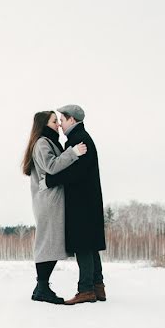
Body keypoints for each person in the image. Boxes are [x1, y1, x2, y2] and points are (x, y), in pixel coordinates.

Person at [21, 110, 88, 304]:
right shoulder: (42, 143)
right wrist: (73, 152)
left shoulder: (48, 142)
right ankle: (42, 287)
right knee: (47, 243)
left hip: (51, 200)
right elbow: (51, 166)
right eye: (54, 121)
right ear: (44, 124)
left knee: (50, 243)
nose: (58, 125)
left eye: (59, 121)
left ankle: (41, 287)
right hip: (48, 202)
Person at [46, 104, 106, 305]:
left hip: (82, 201)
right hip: (88, 200)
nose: (60, 125)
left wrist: (50, 180)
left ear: (72, 119)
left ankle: (86, 290)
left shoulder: (79, 139)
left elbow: (76, 173)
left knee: (83, 245)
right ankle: (98, 286)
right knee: (90, 244)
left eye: (62, 120)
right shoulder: (81, 137)